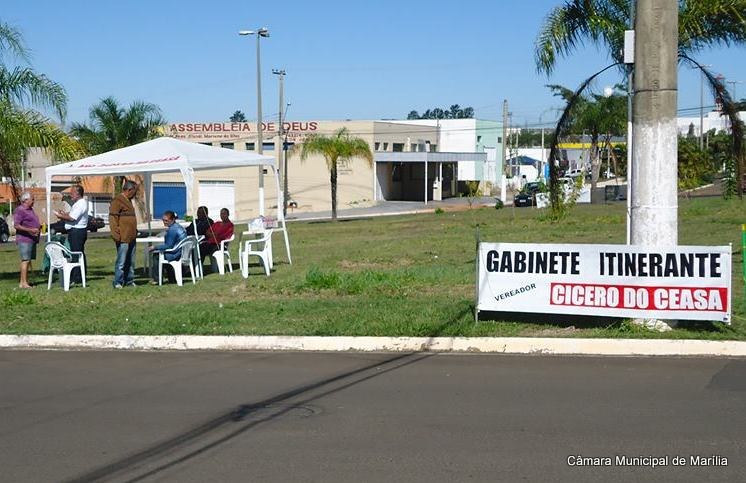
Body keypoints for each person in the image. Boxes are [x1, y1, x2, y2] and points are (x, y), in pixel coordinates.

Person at [54, 185, 88, 284]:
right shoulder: (77, 204)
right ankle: (78, 275)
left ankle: (77, 277)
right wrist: (64, 214)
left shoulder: (81, 204)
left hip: (77, 232)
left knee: (77, 254)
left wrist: (60, 216)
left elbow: (72, 218)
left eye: (72, 193)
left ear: (78, 193)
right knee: (76, 253)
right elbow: (71, 215)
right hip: (74, 231)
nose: (70, 195)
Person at [109, 180, 138, 288]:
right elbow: (113, 219)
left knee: (131, 261)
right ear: (129, 190)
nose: (135, 194)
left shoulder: (129, 201)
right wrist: (116, 235)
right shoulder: (117, 201)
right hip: (123, 237)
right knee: (121, 261)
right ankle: (118, 282)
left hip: (131, 236)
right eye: (134, 191)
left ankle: (129, 280)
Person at [149, 210, 187, 283]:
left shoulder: (173, 229)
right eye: (163, 220)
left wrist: (154, 247)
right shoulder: (178, 226)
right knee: (163, 254)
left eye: (166, 220)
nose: (164, 222)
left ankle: (157, 279)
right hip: (181, 251)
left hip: (176, 253)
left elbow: (169, 246)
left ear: (173, 219)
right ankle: (171, 278)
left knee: (156, 255)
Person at [13, 191, 41, 289]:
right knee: (25, 260)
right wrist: (30, 230)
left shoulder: (30, 210)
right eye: (32, 199)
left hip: (32, 239)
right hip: (24, 239)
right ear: (25, 200)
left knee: (28, 260)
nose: (33, 201)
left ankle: (24, 281)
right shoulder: (20, 210)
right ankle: (23, 283)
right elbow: (16, 225)